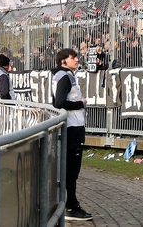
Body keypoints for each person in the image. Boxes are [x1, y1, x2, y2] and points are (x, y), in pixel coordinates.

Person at [52, 48, 92, 222]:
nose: (76, 60)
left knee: (70, 168)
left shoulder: (62, 75)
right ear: (63, 62)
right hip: (72, 128)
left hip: (72, 127)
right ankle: (71, 206)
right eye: (72, 57)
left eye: (76, 57)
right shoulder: (65, 77)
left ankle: (70, 203)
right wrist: (80, 104)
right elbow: (59, 102)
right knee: (72, 169)